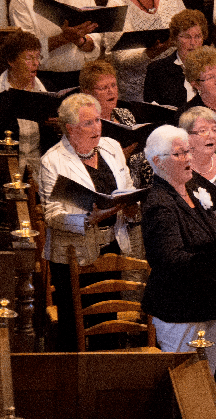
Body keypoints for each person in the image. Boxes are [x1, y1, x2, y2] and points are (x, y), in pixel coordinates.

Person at [141, 125, 216, 374]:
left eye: (188, 151)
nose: (188, 158)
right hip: (181, 309)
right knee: (188, 383)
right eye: (180, 154)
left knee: (206, 379)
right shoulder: (160, 204)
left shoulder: (190, 191)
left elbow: (208, 238)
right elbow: (171, 260)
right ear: (158, 162)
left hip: (206, 303)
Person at [40, 93, 138, 351]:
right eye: (88, 123)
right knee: (76, 330)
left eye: (97, 120)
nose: (97, 127)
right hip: (73, 255)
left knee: (108, 324)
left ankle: (106, 381)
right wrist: (87, 220)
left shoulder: (112, 147)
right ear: (70, 128)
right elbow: (51, 214)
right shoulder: (53, 160)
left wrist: (131, 207)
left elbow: (126, 187)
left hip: (111, 246)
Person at [106, 0, 185, 102]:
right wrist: (150, 53)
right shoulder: (117, 6)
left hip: (174, 82)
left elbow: (187, 25)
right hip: (137, 91)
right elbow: (120, 58)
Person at [79, 59, 153, 187]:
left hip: (136, 188)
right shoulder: (84, 124)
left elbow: (142, 160)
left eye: (113, 85)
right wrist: (119, 158)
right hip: (108, 189)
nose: (111, 91)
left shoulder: (124, 114)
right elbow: (88, 171)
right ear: (87, 92)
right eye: (104, 88)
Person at [0, 30, 53, 180]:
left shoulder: (47, 89)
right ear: (11, 61)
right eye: (29, 58)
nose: (36, 63)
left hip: (43, 172)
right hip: (6, 174)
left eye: (38, 57)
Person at [144, 9, 207, 107]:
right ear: (175, 39)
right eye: (187, 37)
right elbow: (152, 112)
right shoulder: (157, 70)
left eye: (198, 36)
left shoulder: (215, 67)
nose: (193, 43)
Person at [178, 106, 216, 186]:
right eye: (203, 131)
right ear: (186, 135)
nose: (211, 136)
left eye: (214, 130)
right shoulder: (177, 168)